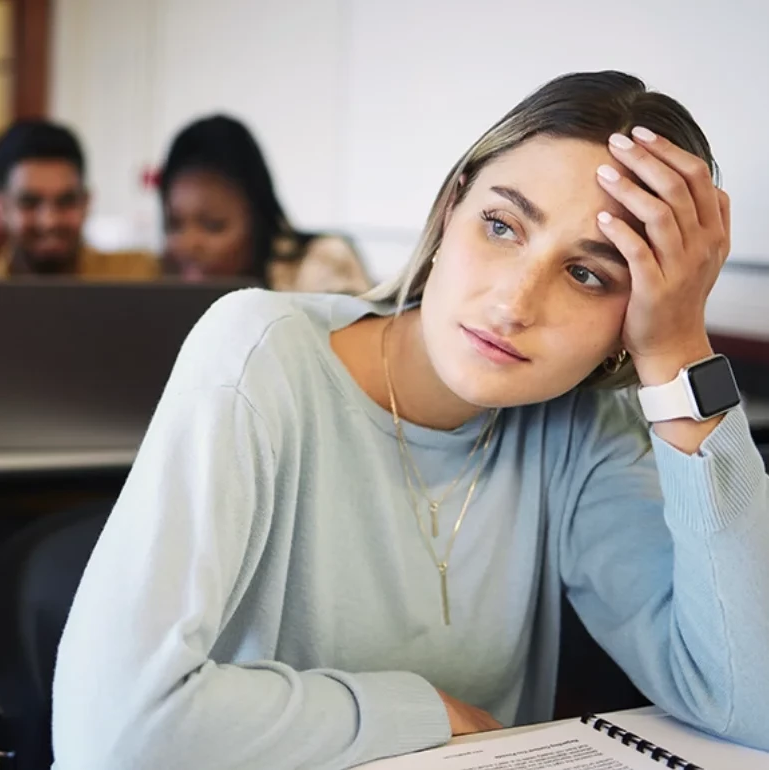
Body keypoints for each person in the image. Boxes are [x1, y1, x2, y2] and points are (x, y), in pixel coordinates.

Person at [52, 71, 769, 770]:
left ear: (628, 321)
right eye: (501, 225)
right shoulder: (256, 351)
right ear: (451, 206)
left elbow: (750, 702)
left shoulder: (581, 427)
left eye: (588, 275)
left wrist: (677, 350)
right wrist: (424, 713)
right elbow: (113, 737)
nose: (513, 303)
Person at [159, 114, 371, 293]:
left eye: (213, 225)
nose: (188, 244)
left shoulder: (323, 262)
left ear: (257, 218)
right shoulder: (161, 282)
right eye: (174, 225)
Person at [0, 119, 159, 279]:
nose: (49, 222)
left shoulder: (135, 275)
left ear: (87, 203)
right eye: (29, 203)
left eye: (66, 202)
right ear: (3, 206)